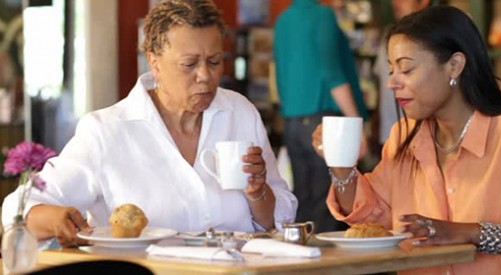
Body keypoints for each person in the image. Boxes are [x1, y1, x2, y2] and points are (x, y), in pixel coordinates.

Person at [2, 0, 297, 247]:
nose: (205, 76)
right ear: (154, 62)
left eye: (215, 61)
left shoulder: (240, 112)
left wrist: (258, 191)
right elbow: (18, 209)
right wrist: (59, 221)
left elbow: (282, 218)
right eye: (190, 64)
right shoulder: (106, 131)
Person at [312, 6, 501, 274]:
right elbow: (373, 220)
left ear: (454, 66)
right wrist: (341, 163)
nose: (392, 83)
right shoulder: (404, 137)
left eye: (407, 69)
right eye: (391, 71)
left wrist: (472, 233)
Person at [273, 0, 367, 233]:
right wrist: (357, 123)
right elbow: (331, 71)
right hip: (325, 122)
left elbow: (280, 74)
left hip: (292, 122)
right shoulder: (322, 15)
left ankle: (304, 262)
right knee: (329, 205)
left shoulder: (283, 20)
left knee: (304, 202)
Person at [373, 0, 430, 148]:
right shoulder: (389, 37)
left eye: (407, 69)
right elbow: (383, 84)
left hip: (420, 136)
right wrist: (376, 122)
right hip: (389, 133)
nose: (395, 2)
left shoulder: (432, 40)